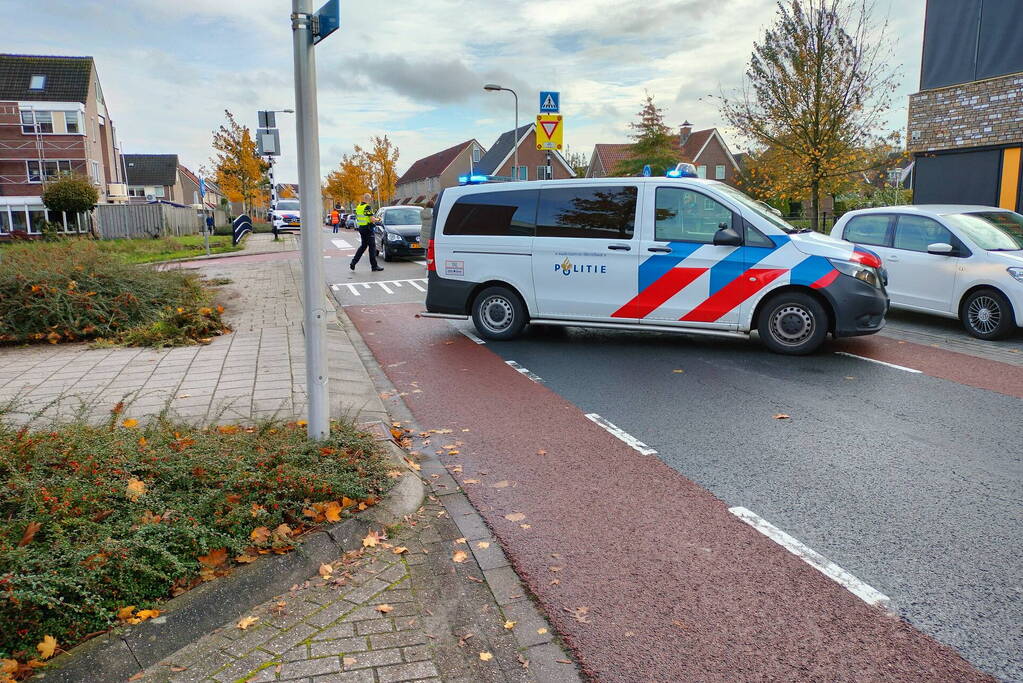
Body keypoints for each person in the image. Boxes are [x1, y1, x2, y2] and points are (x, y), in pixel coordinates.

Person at [351, 193, 383, 272]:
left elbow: (360, 218)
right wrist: (378, 219)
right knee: (372, 248)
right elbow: (372, 219)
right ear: (368, 199)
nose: (371, 201)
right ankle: (374, 266)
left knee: (363, 246)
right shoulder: (367, 207)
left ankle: (353, 262)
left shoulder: (359, 207)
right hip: (368, 229)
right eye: (370, 199)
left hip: (361, 228)